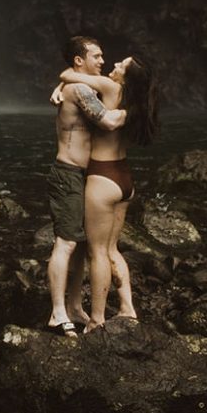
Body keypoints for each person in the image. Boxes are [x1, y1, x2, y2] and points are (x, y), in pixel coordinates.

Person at [57, 55, 157, 330]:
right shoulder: (136, 103)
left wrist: (59, 86)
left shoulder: (111, 88)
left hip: (102, 176)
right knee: (112, 249)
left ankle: (97, 319)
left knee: (97, 251)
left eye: (120, 66)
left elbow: (68, 76)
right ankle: (128, 307)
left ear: (126, 77)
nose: (113, 66)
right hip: (124, 178)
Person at [45, 35, 124, 338]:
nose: (103, 61)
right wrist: (136, 112)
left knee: (79, 247)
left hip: (82, 175)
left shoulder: (77, 86)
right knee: (65, 243)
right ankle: (57, 313)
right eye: (97, 56)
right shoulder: (78, 88)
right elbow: (107, 122)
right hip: (68, 173)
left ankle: (75, 306)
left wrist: (59, 85)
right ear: (79, 61)